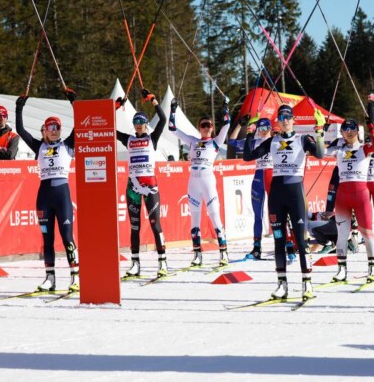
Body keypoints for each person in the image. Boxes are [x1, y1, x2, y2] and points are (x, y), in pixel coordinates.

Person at [244, 103, 326, 301]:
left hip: (295, 193)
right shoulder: (272, 141)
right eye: (281, 117)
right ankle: (282, 284)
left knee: (301, 239)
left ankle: (307, 283)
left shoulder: (302, 139)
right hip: (277, 194)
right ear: (278, 122)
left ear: (293, 120)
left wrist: (320, 131)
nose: (285, 120)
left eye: (288, 117)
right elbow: (248, 156)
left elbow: (321, 154)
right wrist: (249, 133)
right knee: (279, 239)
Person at [15, 90, 79, 292]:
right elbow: (20, 129)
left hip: (62, 196)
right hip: (44, 196)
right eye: (50, 127)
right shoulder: (38, 146)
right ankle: (50, 278)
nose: (54, 130)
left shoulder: (67, 145)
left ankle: (75, 276)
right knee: (47, 239)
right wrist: (19, 107)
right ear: (44, 130)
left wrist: (74, 102)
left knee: (67, 237)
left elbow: (81, 124)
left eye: (57, 127)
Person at [169, 97, 231, 267]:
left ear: (212, 128)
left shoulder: (216, 142)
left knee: (215, 217)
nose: (206, 128)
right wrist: (173, 109)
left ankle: (224, 253)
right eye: (203, 125)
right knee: (194, 219)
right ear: (198, 128)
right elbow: (172, 128)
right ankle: (197, 254)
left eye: (208, 125)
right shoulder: (193, 141)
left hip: (208, 181)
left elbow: (227, 124)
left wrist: (225, 106)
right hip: (193, 182)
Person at [325, 96, 374, 283]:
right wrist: (322, 133)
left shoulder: (364, 148)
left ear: (357, 131)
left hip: (361, 194)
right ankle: (341, 269)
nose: (349, 132)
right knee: (342, 234)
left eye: (352, 129)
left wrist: (371, 125)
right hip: (343, 195)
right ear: (341, 132)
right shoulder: (338, 147)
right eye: (345, 129)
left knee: (367, 232)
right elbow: (320, 152)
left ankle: (373, 267)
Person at [116, 89, 167, 278]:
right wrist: (116, 108)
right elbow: (109, 129)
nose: (138, 125)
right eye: (135, 122)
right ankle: (135, 264)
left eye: (141, 122)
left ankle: (163, 262)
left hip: (150, 186)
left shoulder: (151, 138)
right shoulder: (128, 139)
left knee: (155, 225)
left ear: (146, 124)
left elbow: (162, 120)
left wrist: (153, 100)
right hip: (133, 188)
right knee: (135, 227)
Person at [228, 114, 274, 260]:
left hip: (272, 175)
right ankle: (257, 247)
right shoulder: (253, 142)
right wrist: (240, 125)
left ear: (271, 129)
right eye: (261, 128)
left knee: (277, 213)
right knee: (257, 215)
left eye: (267, 127)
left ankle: (286, 244)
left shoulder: (276, 141)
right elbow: (232, 142)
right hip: (259, 177)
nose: (264, 130)